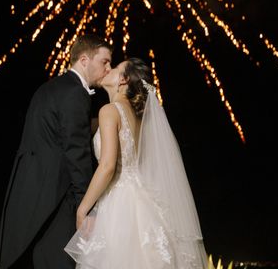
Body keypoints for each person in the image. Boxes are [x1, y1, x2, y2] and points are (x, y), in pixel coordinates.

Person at [64, 58, 209, 268]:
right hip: (144, 201)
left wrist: (82, 210)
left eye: (114, 68)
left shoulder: (109, 111)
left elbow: (107, 167)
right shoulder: (140, 119)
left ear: (123, 80)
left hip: (119, 205)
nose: (108, 70)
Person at [0, 34, 112, 269]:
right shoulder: (75, 93)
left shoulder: (53, 87)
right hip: (56, 196)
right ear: (84, 60)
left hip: (32, 190)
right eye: (105, 62)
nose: (108, 68)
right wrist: (85, 206)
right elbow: (76, 152)